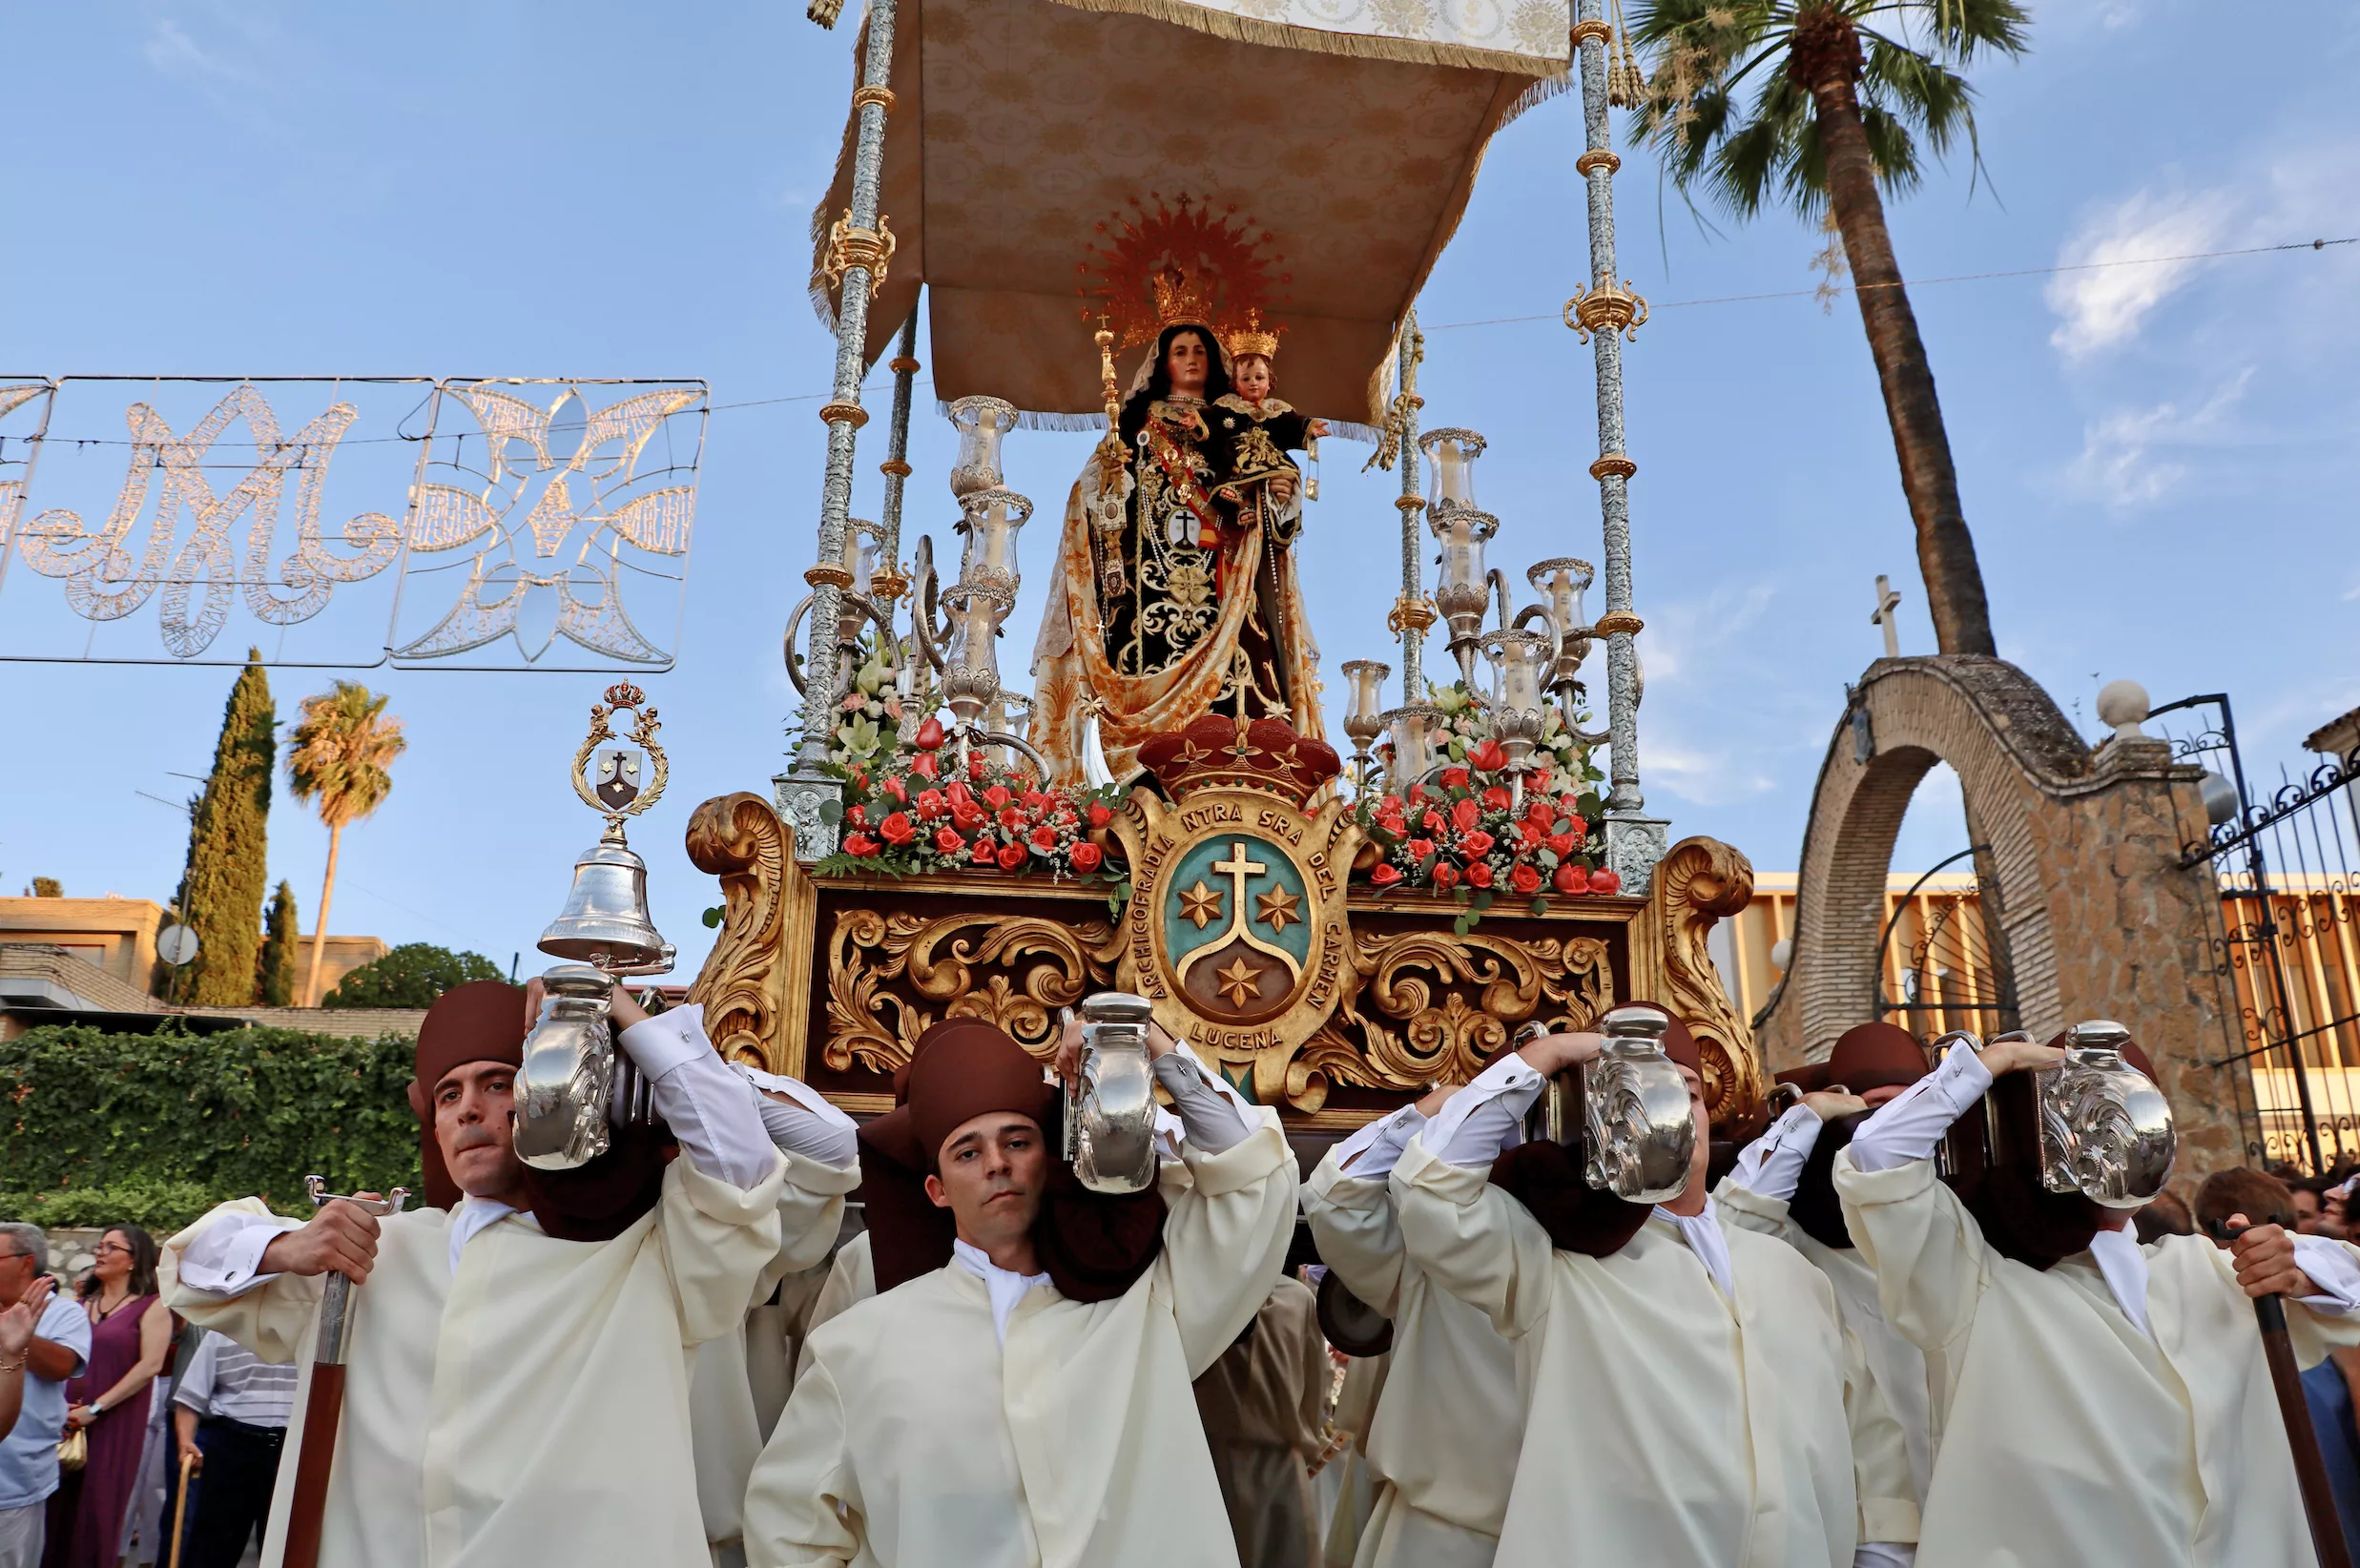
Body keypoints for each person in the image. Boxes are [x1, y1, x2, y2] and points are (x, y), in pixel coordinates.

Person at [161, 979, 858, 1568]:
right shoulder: (373, 1254)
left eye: (497, 1085)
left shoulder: (651, 1254)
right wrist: (285, 1246)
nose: (468, 1108)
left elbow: (790, 1155)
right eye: (448, 1095)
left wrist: (624, 1025)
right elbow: (188, 1267)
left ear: (550, 1100)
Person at [743, 1013, 1298, 1567]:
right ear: (936, 1190)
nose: (997, 1164)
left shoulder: (1146, 1309)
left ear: (1050, 1159)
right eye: (967, 1151)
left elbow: (1251, 1178)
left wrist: (1130, 1034)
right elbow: (787, 1530)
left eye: (1017, 1141)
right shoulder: (856, 1346)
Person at [1391, 1015, 1917, 1567]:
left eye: (1685, 1093)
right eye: (1640, 1093)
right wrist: (1549, 1056)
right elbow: (1430, 1189)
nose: (1669, 1115)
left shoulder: (1790, 1270)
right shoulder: (1551, 1266)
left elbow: (1872, 1450)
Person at [1833, 1031, 2360, 1567]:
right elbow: (1878, 1157)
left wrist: (2300, 1271)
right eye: (2089, 1111)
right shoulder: (1972, 1286)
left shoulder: (2208, 1271)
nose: (2120, 1141)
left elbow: (2352, 1292)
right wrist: (1991, 1066)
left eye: (2136, 1111)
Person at [1031, 312, 1327, 785]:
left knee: (1249, 701)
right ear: (1163, 364)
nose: (1191, 360)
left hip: (1226, 592)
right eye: (1180, 351)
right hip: (1151, 597)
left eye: (1199, 351)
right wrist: (1108, 486)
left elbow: (1270, 514)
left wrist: (1279, 499)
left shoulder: (1235, 426)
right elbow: (1090, 501)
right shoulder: (1132, 429)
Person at [1716, 1021, 1940, 1507]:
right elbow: (1730, 1229)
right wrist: (1809, 1116)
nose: (1897, 1131)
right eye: (1879, 1110)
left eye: (1914, 1109)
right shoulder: (1797, 1246)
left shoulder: (1959, 1231)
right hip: (1872, 1527)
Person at [1302, 1085, 1524, 1568]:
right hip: (1441, 1534)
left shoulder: (1635, 1250)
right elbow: (1337, 1197)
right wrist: (1433, 1110)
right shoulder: (1423, 1261)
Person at [1193, 1273, 1330, 1568]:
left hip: (1227, 1464)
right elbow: (1316, 1390)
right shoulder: (1297, 1298)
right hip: (1246, 1463)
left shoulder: (1198, 1293)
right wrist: (1307, 1439)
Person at [59, 1227, 169, 1568]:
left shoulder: (153, 1307)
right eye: (99, 1245)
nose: (100, 1252)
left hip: (114, 1419)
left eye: (111, 1247)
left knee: (98, 1509)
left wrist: (96, 1407)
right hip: (64, 1417)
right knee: (56, 1508)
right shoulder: (81, 1304)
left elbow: (150, 1365)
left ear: (134, 1260)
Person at [170, 1328, 296, 1568]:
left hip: (294, 1446)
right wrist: (185, 1440)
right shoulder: (223, 1331)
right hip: (233, 1442)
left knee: (290, 1548)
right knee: (211, 1548)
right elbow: (190, 1397)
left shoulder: (309, 1331)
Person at [0, 1227, 88, 1568]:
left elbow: (63, 1364)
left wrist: (16, 1335)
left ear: (27, 1263)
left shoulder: (64, 1313)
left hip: (17, 1479)